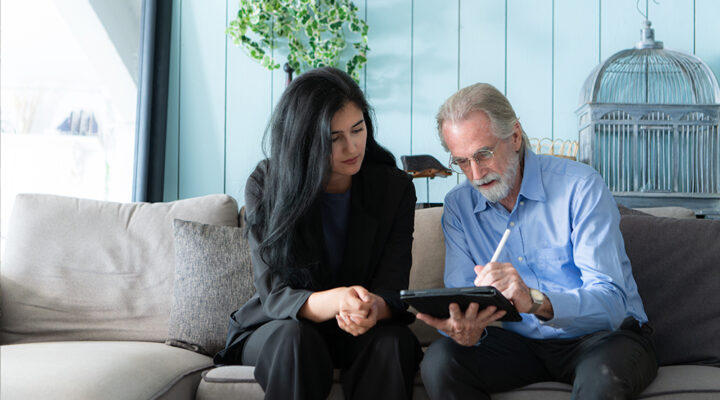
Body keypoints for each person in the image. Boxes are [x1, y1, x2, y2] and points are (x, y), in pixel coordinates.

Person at [417, 83, 658, 399]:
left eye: (483, 154)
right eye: (461, 161)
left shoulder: (580, 186)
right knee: (440, 361)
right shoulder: (460, 207)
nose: (475, 174)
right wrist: (465, 328)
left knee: (603, 377)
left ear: (515, 136)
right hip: (523, 346)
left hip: (602, 338)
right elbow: (461, 299)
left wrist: (534, 300)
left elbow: (611, 303)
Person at [214, 67, 422, 400]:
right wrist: (339, 299)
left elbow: (393, 289)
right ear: (303, 140)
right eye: (333, 138)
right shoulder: (267, 184)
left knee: (394, 343)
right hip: (282, 327)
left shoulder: (394, 188)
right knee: (295, 341)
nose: (352, 146)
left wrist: (373, 308)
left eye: (358, 129)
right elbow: (275, 293)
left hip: (360, 330)